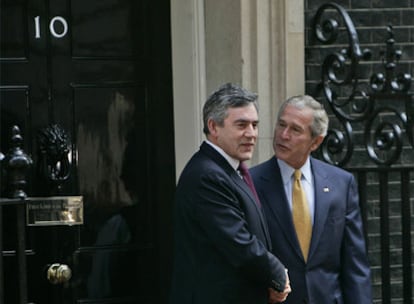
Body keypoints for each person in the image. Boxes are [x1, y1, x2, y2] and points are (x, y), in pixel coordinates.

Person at [169, 83, 291, 304]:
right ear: (213, 127)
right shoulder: (207, 176)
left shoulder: (228, 171)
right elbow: (239, 242)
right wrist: (277, 275)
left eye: (254, 125)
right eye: (241, 125)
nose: (251, 134)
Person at [250, 95, 373, 303]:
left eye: (295, 130)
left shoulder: (341, 184)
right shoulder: (250, 183)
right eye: (281, 125)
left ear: (316, 142)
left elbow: (355, 263)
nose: (283, 135)